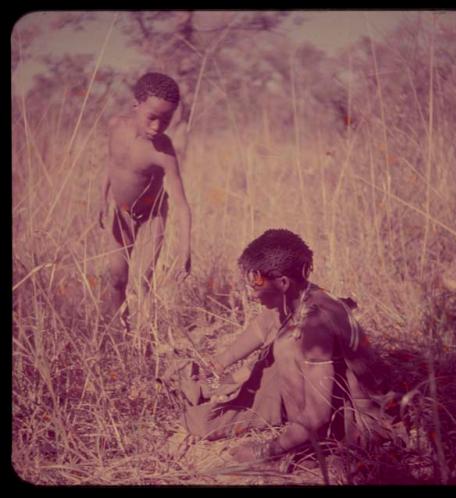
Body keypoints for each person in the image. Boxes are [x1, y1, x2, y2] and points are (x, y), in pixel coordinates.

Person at [181, 229, 399, 462]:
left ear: (283, 282)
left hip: (362, 424)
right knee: (212, 401)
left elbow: (317, 417)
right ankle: (221, 387)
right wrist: (219, 363)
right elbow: (261, 326)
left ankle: (303, 450)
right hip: (326, 401)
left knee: (283, 348)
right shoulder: (303, 295)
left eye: (256, 286)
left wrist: (266, 451)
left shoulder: (313, 327)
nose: (253, 295)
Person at [99, 72, 191, 330]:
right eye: (152, 118)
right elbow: (112, 162)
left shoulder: (164, 151)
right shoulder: (115, 126)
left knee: (142, 280)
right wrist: (102, 196)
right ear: (136, 105)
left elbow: (182, 203)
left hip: (152, 216)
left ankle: (145, 337)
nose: (157, 127)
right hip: (121, 214)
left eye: (166, 120)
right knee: (117, 277)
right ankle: (119, 332)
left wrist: (185, 250)